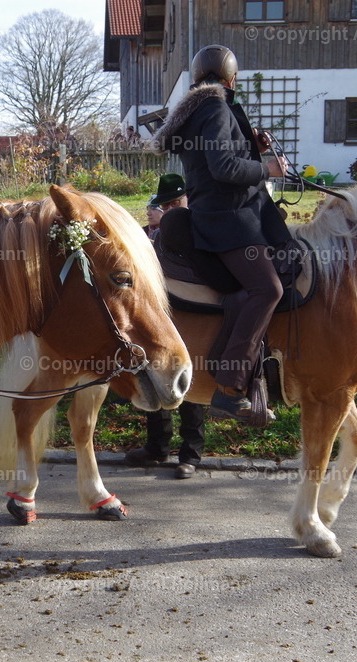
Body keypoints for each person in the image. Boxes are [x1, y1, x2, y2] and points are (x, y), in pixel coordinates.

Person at [154, 44, 291, 423]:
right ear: (232, 78)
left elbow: (221, 155)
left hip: (226, 216)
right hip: (228, 222)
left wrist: (252, 145)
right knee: (268, 289)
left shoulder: (201, 109)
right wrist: (269, 170)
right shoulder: (215, 108)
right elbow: (223, 167)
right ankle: (230, 388)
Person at [128, 173, 207, 478]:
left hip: (189, 315)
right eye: (165, 204)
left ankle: (191, 454)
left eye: (176, 202)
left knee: (188, 386)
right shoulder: (146, 236)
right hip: (156, 315)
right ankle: (157, 447)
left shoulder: (197, 228)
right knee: (152, 377)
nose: (169, 208)